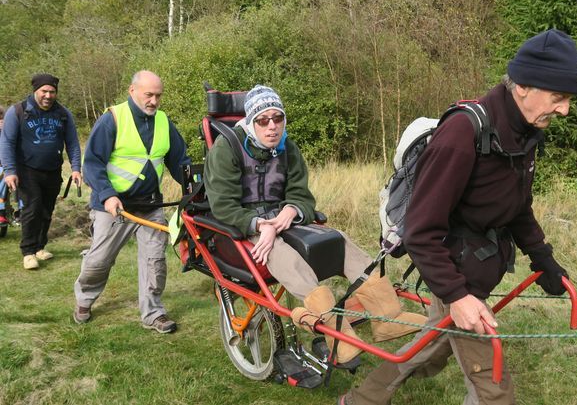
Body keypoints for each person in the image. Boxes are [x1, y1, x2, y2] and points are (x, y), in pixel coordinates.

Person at [337, 29, 577, 405]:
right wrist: (457, 295)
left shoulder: (523, 134)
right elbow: (420, 230)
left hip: (478, 266)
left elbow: (517, 206)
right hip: (453, 270)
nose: (564, 109)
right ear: (522, 86)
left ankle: (359, 401)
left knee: (428, 349)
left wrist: (544, 259)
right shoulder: (462, 133)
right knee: (493, 388)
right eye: (558, 97)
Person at [204, 85, 426, 364]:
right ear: (251, 122)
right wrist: (263, 226)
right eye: (263, 120)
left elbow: (302, 196)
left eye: (278, 118)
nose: (272, 127)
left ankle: (388, 318)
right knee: (282, 255)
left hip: (282, 220)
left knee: (339, 240)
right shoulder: (227, 150)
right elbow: (222, 206)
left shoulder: (288, 148)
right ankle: (338, 338)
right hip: (243, 226)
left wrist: (291, 209)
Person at [73, 70, 191, 334]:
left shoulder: (163, 122)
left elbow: (180, 163)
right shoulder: (111, 119)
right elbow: (92, 164)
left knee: (155, 262)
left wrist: (197, 189)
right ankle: (84, 299)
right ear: (132, 91)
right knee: (99, 260)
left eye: (158, 96)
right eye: (148, 94)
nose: (154, 101)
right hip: (114, 207)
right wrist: (107, 195)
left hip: (150, 207)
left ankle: (153, 313)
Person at [0, 74, 82, 269]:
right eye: (44, 91)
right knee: (31, 210)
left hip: (53, 170)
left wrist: (76, 168)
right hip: (26, 170)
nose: (48, 95)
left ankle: (40, 247)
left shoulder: (63, 113)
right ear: (35, 91)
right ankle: (28, 252)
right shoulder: (18, 112)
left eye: (52, 92)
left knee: (46, 211)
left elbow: (72, 143)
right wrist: (10, 171)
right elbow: (7, 142)